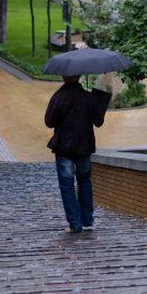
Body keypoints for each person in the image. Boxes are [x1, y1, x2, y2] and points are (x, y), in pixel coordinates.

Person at [45, 75, 111, 234]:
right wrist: (97, 100)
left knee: (67, 185)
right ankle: (87, 220)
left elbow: (49, 122)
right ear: (80, 76)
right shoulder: (88, 97)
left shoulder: (59, 97)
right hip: (84, 146)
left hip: (64, 147)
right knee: (85, 182)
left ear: (63, 76)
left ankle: (75, 223)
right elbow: (99, 122)